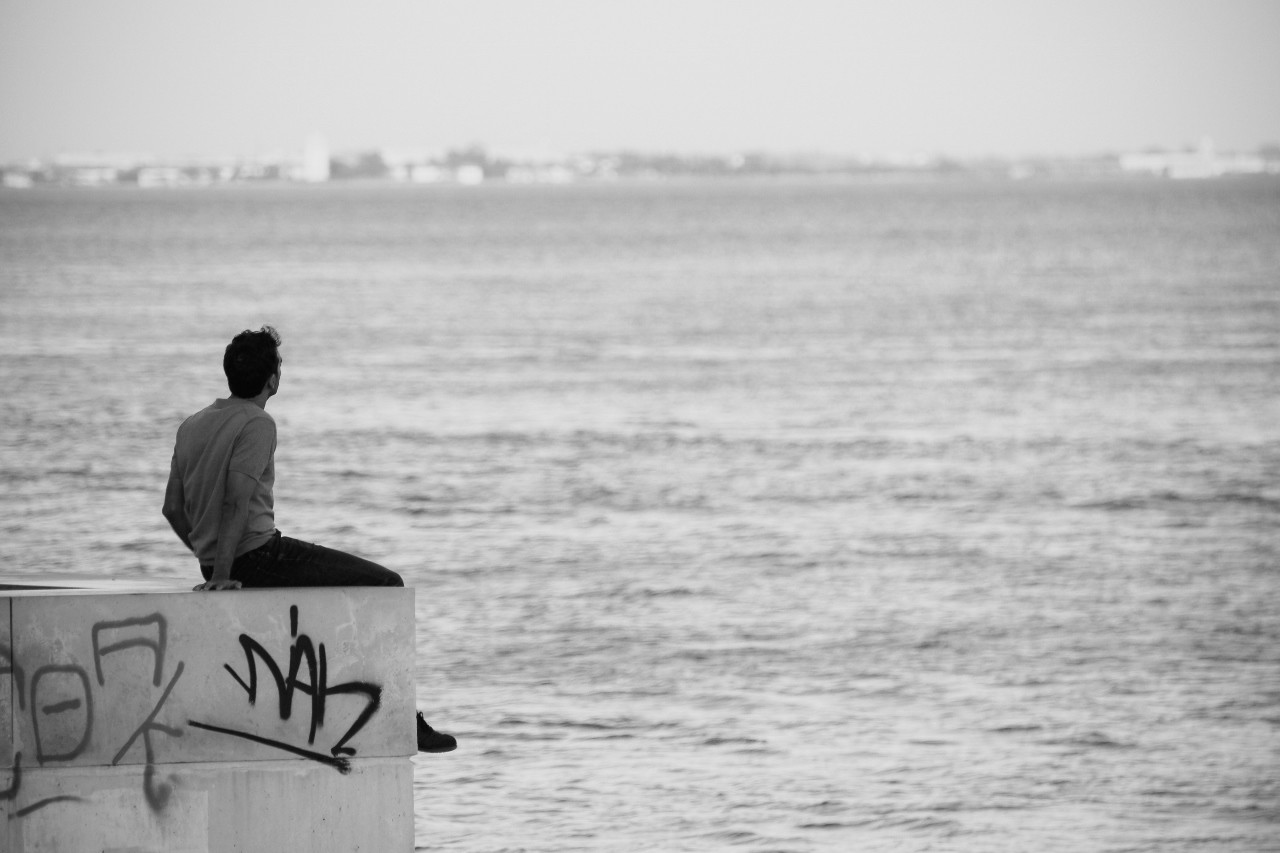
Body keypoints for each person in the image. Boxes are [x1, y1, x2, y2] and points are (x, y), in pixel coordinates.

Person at [162, 325, 456, 753]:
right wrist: (224, 574)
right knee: (387, 584)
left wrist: (209, 560)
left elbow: (172, 509)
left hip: (222, 561)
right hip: (256, 555)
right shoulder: (257, 423)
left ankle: (362, 703)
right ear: (272, 379)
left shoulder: (192, 425)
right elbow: (236, 500)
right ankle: (402, 720)